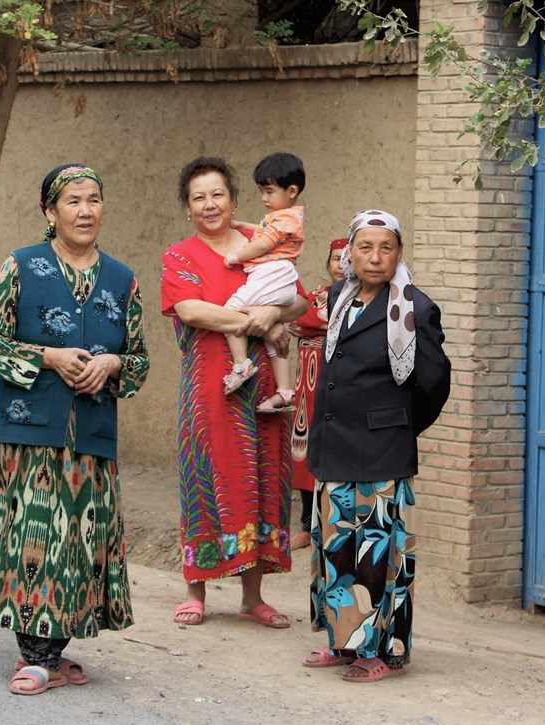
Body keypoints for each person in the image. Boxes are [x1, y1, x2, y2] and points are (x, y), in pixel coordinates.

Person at [0, 163, 150, 695]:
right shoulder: (21, 267)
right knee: (35, 536)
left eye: (94, 199)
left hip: (90, 434)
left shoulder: (123, 279)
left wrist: (111, 365)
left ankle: (56, 649)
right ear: (50, 211)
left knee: (78, 541)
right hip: (28, 432)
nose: (86, 210)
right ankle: (35, 656)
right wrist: (47, 356)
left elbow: (138, 359)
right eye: (73, 201)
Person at [160, 156, 306, 628]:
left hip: (265, 387)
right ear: (187, 208)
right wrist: (258, 319)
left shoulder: (262, 246)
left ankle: (253, 597)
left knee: (262, 478)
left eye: (218, 194)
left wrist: (279, 314)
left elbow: (300, 298)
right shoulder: (180, 256)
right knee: (206, 478)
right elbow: (190, 309)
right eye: (198, 197)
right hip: (210, 389)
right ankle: (195, 589)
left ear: (234, 199)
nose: (209, 204)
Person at [305, 209, 451, 682]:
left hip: (380, 452)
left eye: (385, 248)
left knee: (377, 557)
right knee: (335, 551)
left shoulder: (414, 308)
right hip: (335, 447)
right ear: (350, 252)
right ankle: (344, 642)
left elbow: (433, 384)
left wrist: (396, 428)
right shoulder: (338, 297)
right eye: (365, 247)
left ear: (399, 254)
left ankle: (382, 652)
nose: (375, 257)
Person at [221, 152, 305, 414]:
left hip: (272, 274)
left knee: (231, 310)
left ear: (291, 191)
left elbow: (264, 242)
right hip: (279, 277)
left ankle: (240, 364)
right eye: (261, 192)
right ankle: (285, 391)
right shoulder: (283, 216)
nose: (264, 199)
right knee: (275, 337)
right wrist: (239, 224)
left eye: (269, 191)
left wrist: (237, 255)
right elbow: (261, 229)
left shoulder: (287, 218)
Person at [289, 237, 348, 550]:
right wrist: (313, 322)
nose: (341, 265)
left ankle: (333, 524)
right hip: (307, 390)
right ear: (328, 263)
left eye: (347, 258)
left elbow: (321, 321)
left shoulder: (361, 298)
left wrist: (312, 323)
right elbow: (297, 320)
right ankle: (306, 524)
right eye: (336, 258)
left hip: (341, 388)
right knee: (305, 450)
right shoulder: (315, 296)